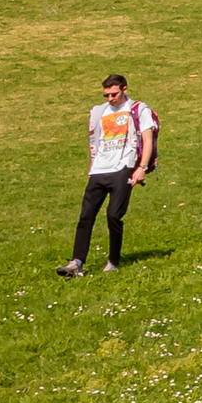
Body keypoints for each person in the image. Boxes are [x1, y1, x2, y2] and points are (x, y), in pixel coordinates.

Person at [62, 74, 154, 277]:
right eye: (106, 95)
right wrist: (91, 165)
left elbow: (148, 140)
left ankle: (113, 261)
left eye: (114, 94)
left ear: (124, 89)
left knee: (114, 215)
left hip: (122, 168)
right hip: (98, 170)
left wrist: (142, 168)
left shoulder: (138, 109)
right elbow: (96, 140)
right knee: (86, 216)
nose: (110, 98)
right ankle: (76, 263)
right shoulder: (99, 112)